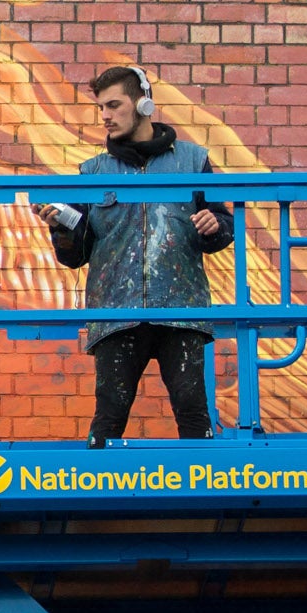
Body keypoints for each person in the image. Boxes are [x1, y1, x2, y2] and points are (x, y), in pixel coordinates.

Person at [39, 66, 236, 445]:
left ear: (144, 104)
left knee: (193, 408)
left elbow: (223, 227)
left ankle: (207, 500)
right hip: (116, 311)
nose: (105, 116)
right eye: (101, 108)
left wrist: (215, 225)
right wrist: (61, 229)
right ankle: (94, 499)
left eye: (114, 105)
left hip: (181, 308)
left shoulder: (193, 162)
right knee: (109, 412)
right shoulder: (93, 173)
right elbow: (75, 256)